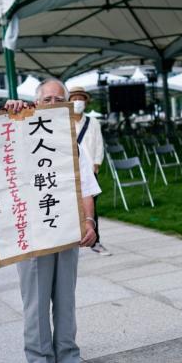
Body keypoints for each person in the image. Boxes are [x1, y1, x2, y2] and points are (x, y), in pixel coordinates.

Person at [5, 78, 100, 363]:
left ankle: (68, 356)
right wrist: (14, 113)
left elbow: (86, 186)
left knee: (65, 297)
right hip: (33, 233)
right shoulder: (19, 131)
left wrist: (89, 221)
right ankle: (40, 361)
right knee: (35, 300)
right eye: (47, 99)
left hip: (67, 229)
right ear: (35, 103)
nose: (54, 103)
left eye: (60, 99)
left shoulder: (70, 141)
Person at [68, 86, 110, 256]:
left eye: (81, 98)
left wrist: (97, 163)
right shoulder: (63, 121)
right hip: (69, 172)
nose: (77, 101)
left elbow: (99, 144)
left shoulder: (93, 122)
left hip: (89, 170)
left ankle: (95, 240)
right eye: (74, 98)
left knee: (91, 207)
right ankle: (70, 240)